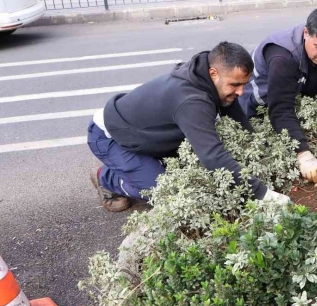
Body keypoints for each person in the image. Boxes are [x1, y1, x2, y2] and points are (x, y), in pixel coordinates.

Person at [86, 42, 291, 212]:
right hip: (111, 138)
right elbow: (213, 157)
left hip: (147, 135)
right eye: (235, 85)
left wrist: (262, 148)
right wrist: (264, 194)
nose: (240, 92)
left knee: (188, 175)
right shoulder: (192, 101)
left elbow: (236, 116)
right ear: (214, 73)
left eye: (244, 84)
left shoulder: (206, 76)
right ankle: (107, 178)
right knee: (167, 193)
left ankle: (142, 167)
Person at [240, 7, 317, 185]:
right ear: (306, 33)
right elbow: (280, 110)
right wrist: (303, 153)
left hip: (289, 94)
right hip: (254, 107)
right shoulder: (283, 56)